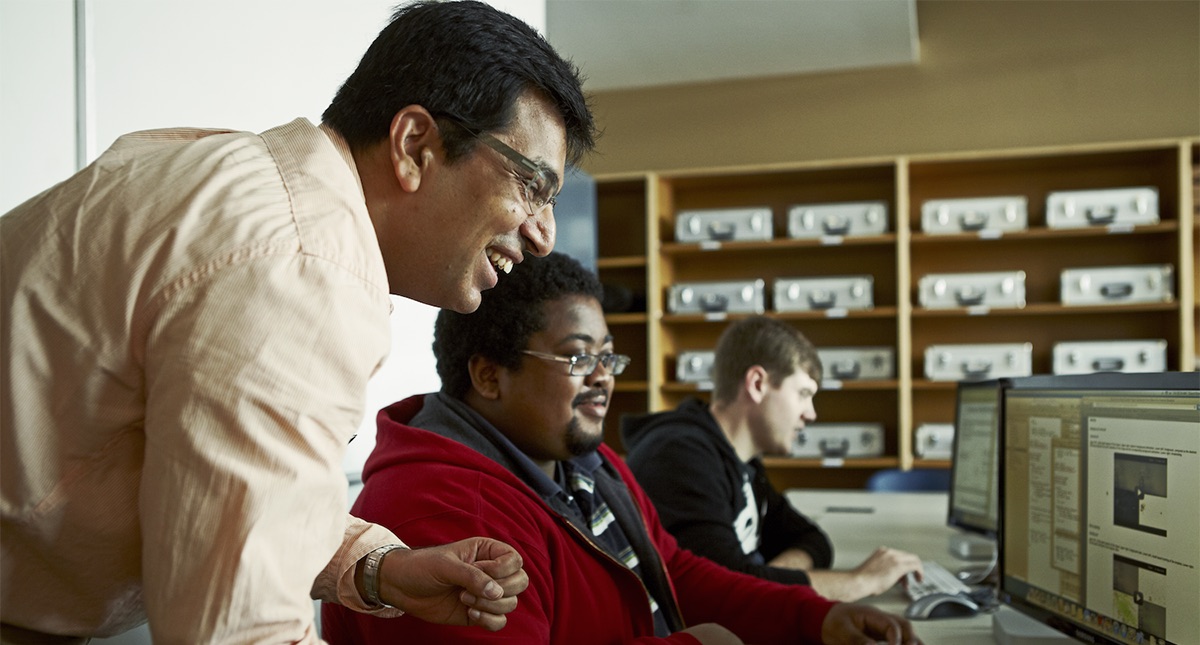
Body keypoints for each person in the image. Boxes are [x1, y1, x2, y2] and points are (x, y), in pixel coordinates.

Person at [0, 2, 596, 642]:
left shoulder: (252, 191)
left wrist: (377, 569)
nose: (544, 236)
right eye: (532, 185)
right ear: (416, 144)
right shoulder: (299, 268)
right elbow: (234, 626)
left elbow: (219, 489)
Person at [321, 252, 922, 644]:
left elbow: (674, 571)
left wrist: (815, 619)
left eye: (607, 355)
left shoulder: (587, 461)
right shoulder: (445, 510)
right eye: (580, 356)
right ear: (488, 376)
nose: (604, 375)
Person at [621, 316, 923, 602]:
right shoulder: (678, 458)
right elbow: (724, 592)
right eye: (803, 393)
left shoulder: (742, 460)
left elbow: (812, 540)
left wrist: (764, 582)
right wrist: (861, 582)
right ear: (757, 384)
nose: (811, 413)